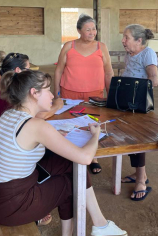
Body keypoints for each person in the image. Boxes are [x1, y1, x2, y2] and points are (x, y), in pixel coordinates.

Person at [0, 70, 127, 236]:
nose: (52, 95)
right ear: (34, 93)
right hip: (14, 206)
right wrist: (95, 135)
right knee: (69, 182)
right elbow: (86, 158)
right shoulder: (36, 125)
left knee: (66, 163)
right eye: (47, 90)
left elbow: (21, 146)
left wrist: (52, 137)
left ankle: (100, 225)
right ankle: (99, 227)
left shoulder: (9, 114)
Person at [0, 53, 64, 158]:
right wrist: (57, 105)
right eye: (28, 70)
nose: (30, 75)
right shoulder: (10, 90)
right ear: (18, 70)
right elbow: (38, 116)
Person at [54, 14, 113, 174]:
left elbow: (108, 72)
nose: (92, 32)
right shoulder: (69, 46)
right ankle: (70, 156)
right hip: (69, 93)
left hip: (95, 95)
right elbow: (59, 70)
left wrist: (112, 95)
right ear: (79, 30)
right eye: (88, 29)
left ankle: (93, 157)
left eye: (94, 29)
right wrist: (56, 94)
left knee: (93, 125)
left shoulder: (102, 47)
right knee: (69, 125)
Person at [119, 24, 158, 201]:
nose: (123, 41)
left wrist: (136, 91)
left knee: (138, 142)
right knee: (128, 139)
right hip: (127, 102)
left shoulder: (147, 53)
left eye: (126, 37)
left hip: (139, 104)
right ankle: (138, 174)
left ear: (139, 40)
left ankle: (141, 181)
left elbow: (154, 80)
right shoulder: (129, 55)